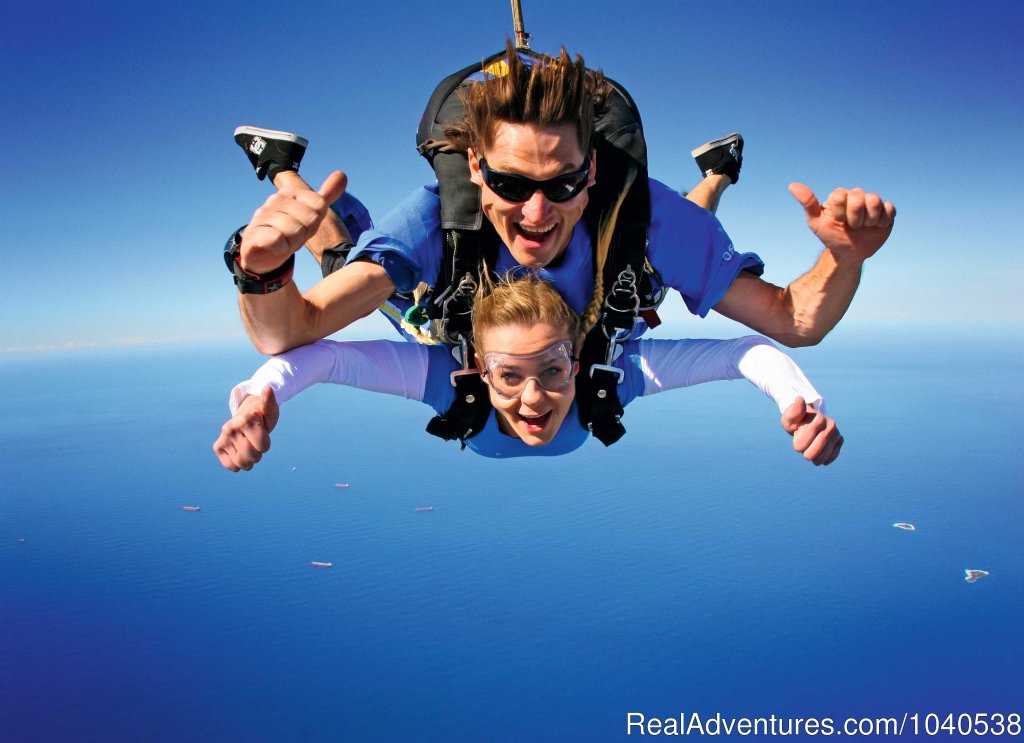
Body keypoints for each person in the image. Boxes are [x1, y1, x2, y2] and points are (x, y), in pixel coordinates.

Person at [225, 46, 895, 358]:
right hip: (451, 311)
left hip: (623, 276)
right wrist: (262, 268)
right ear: (477, 171)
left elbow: (796, 322)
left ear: (593, 169)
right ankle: (283, 170)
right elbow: (291, 328)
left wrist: (843, 259)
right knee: (333, 245)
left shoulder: (645, 213)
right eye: (513, 187)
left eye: (564, 184)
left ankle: (718, 173)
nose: (538, 215)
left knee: (664, 252)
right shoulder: (436, 222)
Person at [213, 274, 842, 467]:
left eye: (554, 370)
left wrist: (797, 397)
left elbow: (744, 353)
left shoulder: (609, 370)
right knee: (350, 264)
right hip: (466, 322)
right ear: (481, 371)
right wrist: (261, 393)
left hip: (584, 319)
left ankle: (715, 176)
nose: (535, 397)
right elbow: (325, 355)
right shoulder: (446, 374)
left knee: (658, 276)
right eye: (510, 376)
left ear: (577, 358)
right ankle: (287, 172)